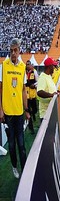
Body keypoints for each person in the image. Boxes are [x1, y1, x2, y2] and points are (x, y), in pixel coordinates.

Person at [0, 39, 31, 178]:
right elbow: (0, 89)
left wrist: (26, 109)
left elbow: (24, 90)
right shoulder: (3, 66)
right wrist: (0, 110)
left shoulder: (22, 67)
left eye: (15, 50)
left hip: (19, 112)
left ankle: (24, 170)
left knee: (22, 145)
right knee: (11, 145)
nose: (13, 53)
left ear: (19, 51)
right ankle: (14, 166)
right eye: (11, 50)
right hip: (7, 112)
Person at [25, 60, 38, 134]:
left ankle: (33, 114)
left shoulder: (34, 71)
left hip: (33, 94)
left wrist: (34, 85)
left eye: (29, 64)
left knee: (35, 109)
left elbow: (37, 81)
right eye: (26, 64)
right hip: (26, 95)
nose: (27, 66)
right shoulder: (24, 72)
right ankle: (31, 128)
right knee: (28, 111)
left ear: (31, 65)